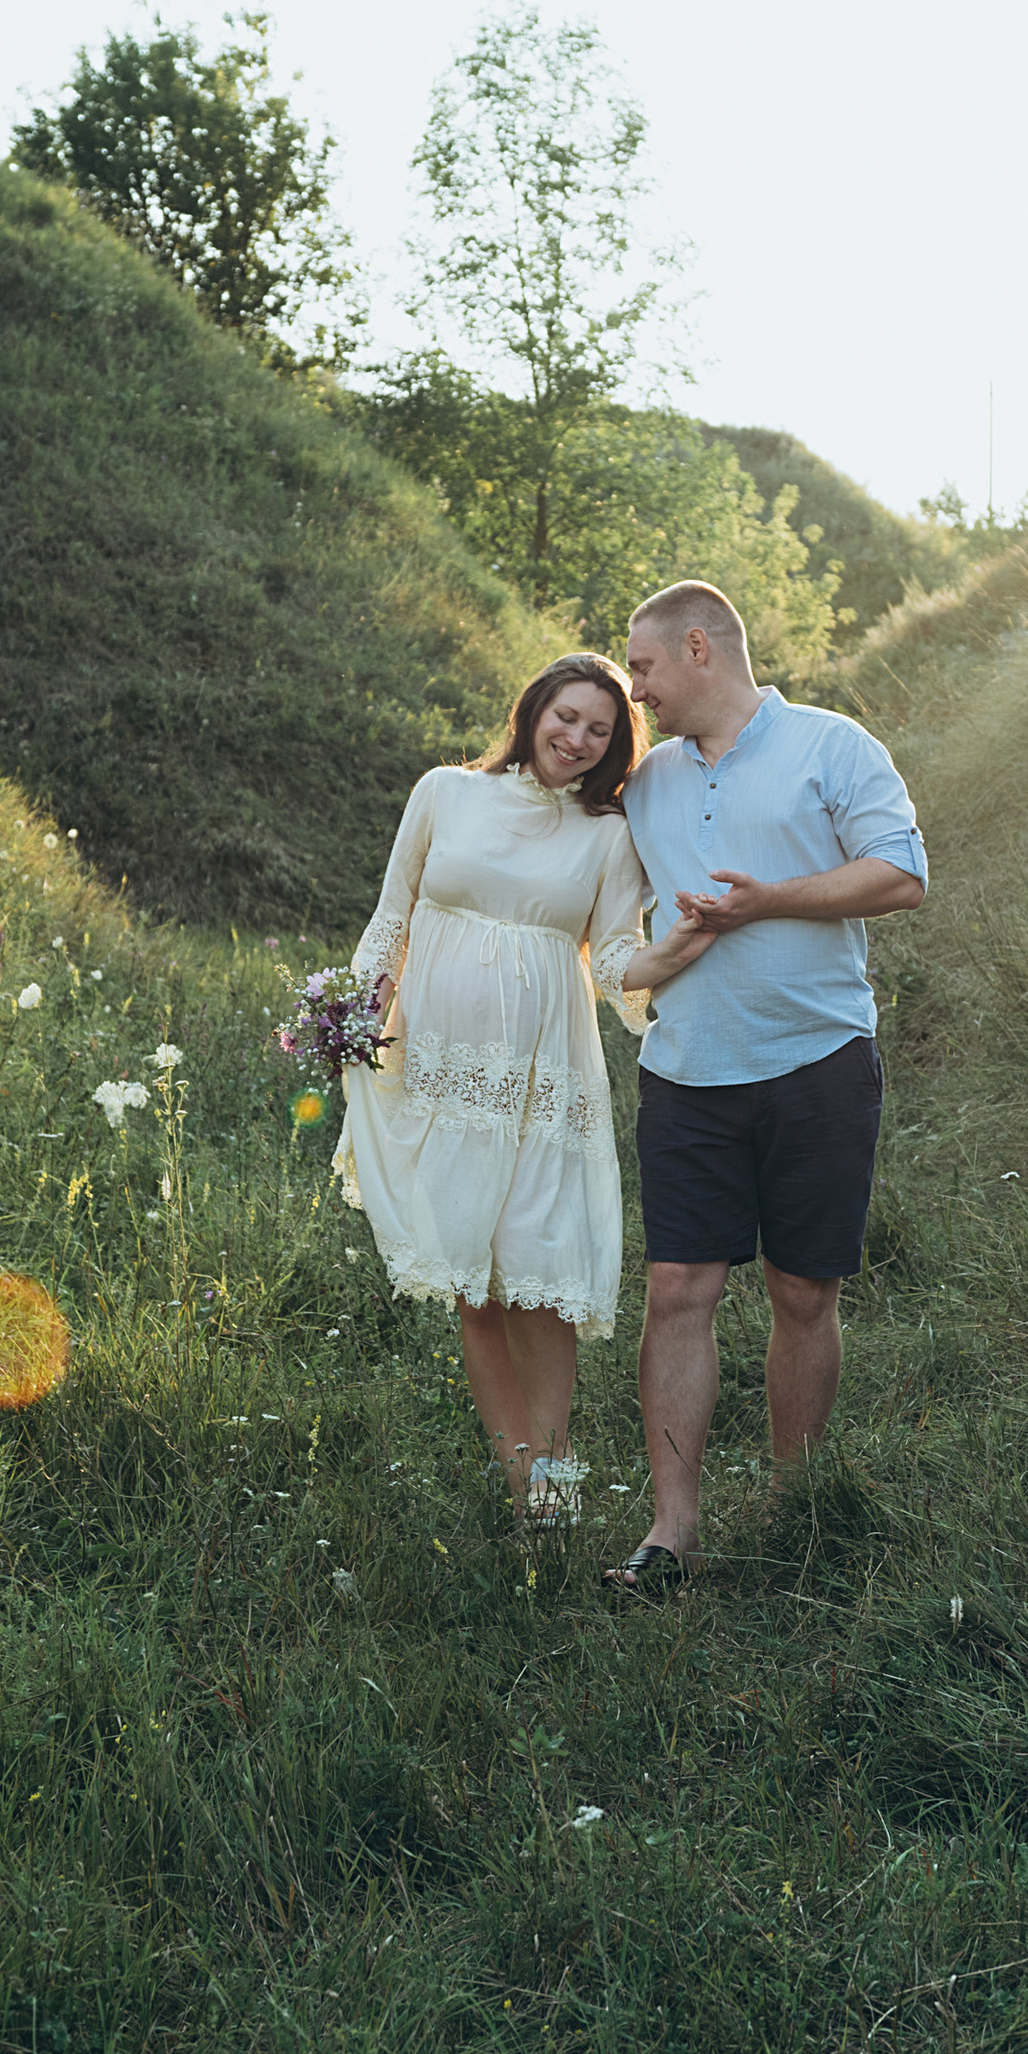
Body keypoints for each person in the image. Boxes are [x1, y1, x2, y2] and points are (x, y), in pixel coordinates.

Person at [336, 653, 715, 1527]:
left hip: (543, 1081)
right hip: (440, 1074)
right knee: (475, 1286)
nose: (577, 739)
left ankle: (557, 1467)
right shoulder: (444, 792)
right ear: (533, 709)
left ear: (615, 747)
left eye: (600, 730)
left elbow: (614, 956)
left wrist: (675, 949)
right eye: (566, 716)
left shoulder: (607, 834)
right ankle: (528, 1491)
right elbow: (392, 916)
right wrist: (353, 1014)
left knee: (539, 1280)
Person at [607, 580, 928, 1590]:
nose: (635, 687)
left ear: (698, 647)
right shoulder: (645, 781)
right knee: (676, 1290)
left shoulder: (832, 745)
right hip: (686, 1072)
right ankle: (671, 1529)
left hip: (817, 1060)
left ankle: (798, 1503)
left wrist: (768, 901)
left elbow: (901, 872)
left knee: (801, 1289)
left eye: (644, 665)